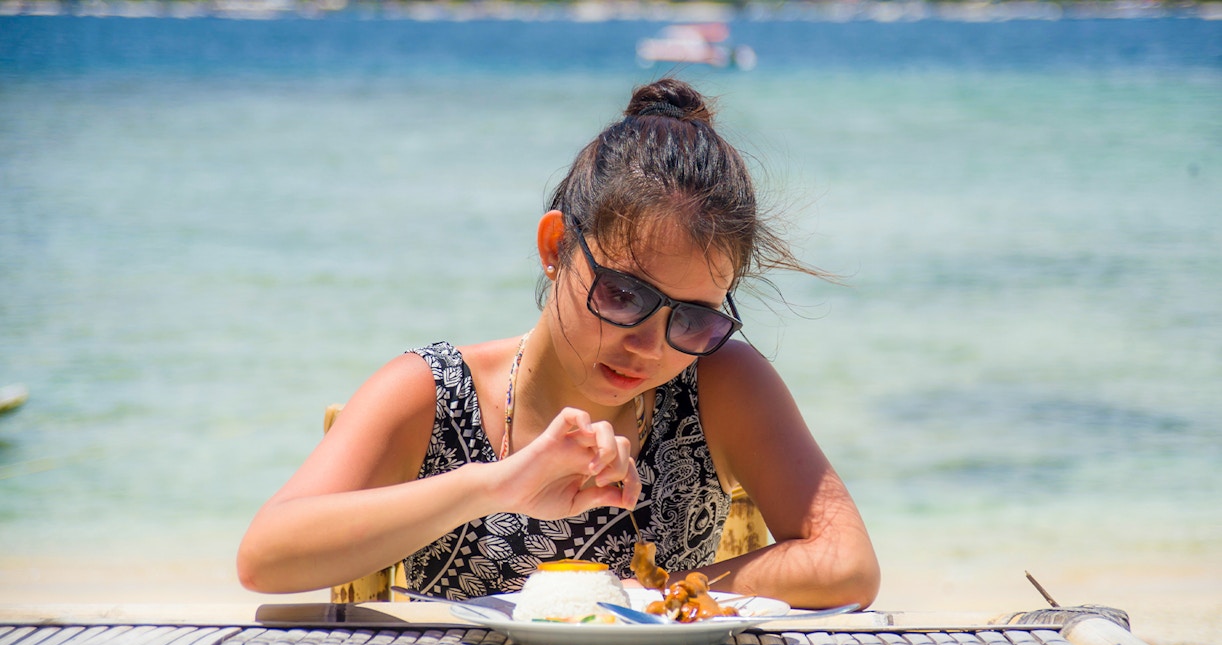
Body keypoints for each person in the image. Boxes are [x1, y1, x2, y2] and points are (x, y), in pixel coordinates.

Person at [237, 78, 880, 610]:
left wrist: (637, 597)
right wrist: (495, 487)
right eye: (625, 296)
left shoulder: (717, 380)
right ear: (555, 249)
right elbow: (266, 558)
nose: (649, 349)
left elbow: (846, 562)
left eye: (692, 319)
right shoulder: (434, 393)